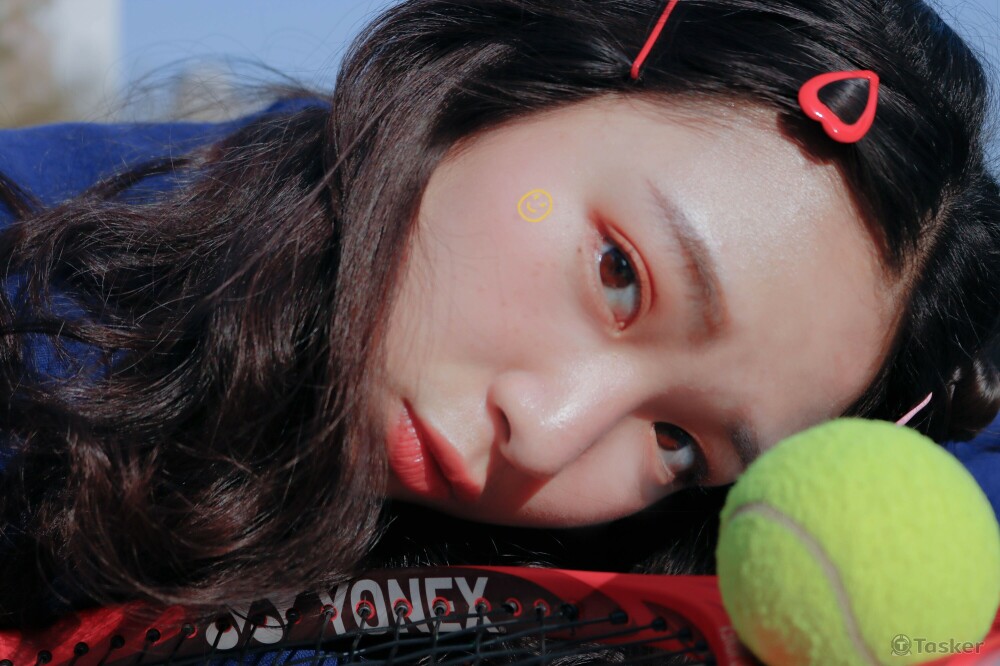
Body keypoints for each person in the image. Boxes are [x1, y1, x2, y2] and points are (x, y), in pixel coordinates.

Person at [0, 0, 997, 631]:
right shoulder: (38, 300)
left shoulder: (616, 569)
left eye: (678, 443)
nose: (549, 434)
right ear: (523, 78)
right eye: (619, 274)